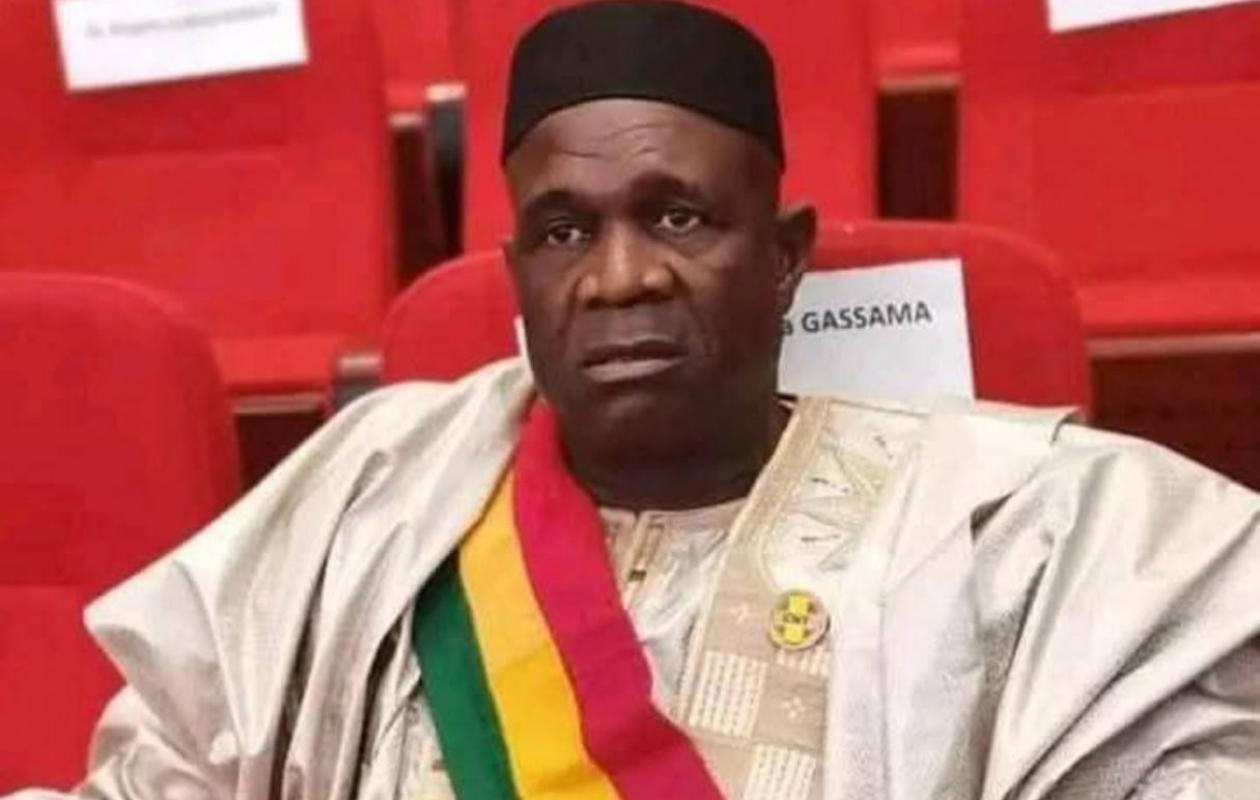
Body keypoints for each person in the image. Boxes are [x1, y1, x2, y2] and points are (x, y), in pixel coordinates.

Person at [10, 2, 1260, 798]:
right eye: (564, 231)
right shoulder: (372, 503)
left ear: (784, 255)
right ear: (518, 274)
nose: (620, 277)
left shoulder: (1029, 526)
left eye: (678, 216)